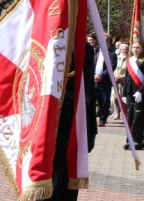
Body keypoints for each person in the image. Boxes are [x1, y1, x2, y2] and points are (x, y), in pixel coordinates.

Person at [38, 42, 97, 201]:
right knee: (49, 181)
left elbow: (89, 91)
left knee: (69, 184)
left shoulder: (86, 48)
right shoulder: (50, 40)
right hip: (51, 123)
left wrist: (91, 129)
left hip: (78, 122)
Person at [88, 33, 117, 126]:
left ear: (108, 42)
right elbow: (90, 64)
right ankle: (91, 119)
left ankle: (102, 120)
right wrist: (94, 75)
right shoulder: (94, 51)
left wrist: (101, 76)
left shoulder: (112, 54)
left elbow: (111, 67)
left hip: (105, 82)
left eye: (105, 41)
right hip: (93, 80)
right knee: (92, 100)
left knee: (104, 102)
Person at [121, 40, 144, 150]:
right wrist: (124, 93)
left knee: (138, 118)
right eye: (134, 47)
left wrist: (140, 91)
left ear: (142, 49)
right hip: (130, 92)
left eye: (138, 47)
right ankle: (129, 140)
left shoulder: (143, 61)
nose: (135, 49)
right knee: (129, 117)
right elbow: (127, 79)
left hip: (140, 93)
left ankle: (138, 141)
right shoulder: (129, 61)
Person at [112, 43, 129, 120]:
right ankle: (117, 113)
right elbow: (113, 67)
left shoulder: (129, 59)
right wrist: (115, 76)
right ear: (120, 50)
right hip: (116, 80)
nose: (124, 51)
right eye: (123, 49)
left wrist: (122, 77)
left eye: (126, 49)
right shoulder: (117, 57)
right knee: (115, 97)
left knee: (124, 98)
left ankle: (125, 113)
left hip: (125, 81)